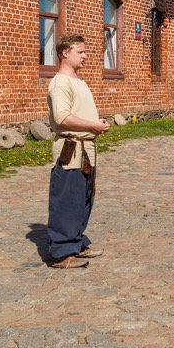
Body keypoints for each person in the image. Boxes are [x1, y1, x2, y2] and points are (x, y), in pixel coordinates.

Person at [46, 33, 110, 269]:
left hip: (86, 149)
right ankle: (62, 253)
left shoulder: (77, 81)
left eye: (85, 51)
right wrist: (93, 125)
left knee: (83, 198)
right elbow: (63, 118)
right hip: (71, 149)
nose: (85, 56)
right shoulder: (60, 82)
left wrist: (95, 122)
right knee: (67, 199)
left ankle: (76, 242)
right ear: (65, 53)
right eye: (80, 51)